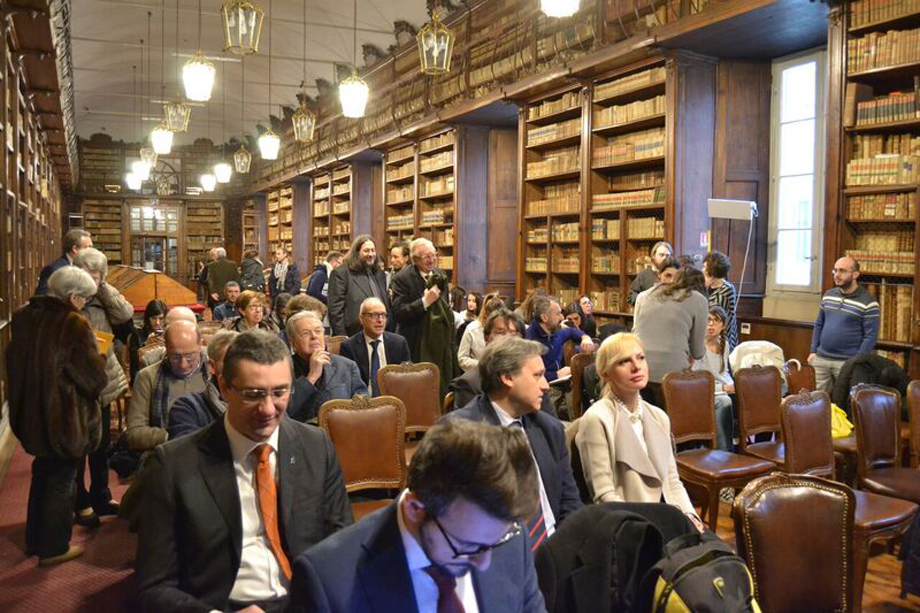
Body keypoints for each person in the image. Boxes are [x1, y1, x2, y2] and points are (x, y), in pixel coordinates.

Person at [136, 330, 353, 612]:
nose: (267, 409)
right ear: (224, 387)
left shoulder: (316, 445)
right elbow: (153, 586)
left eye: (279, 392)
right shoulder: (174, 464)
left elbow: (340, 541)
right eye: (253, 394)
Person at [287, 419, 546, 613]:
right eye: (466, 547)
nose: (485, 562)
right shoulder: (328, 581)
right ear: (415, 510)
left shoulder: (505, 536)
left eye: (494, 544)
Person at [9, 267, 107, 566]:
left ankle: (35, 538)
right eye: (85, 299)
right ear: (72, 297)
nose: (85, 305)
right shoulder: (72, 323)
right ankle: (53, 548)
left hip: (31, 413)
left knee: (42, 473)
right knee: (62, 481)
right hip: (64, 419)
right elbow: (92, 380)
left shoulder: (25, 316)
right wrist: (100, 357)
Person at [449, 336, 582, 545]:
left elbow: (570, 501)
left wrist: (562, 553)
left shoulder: (549, 429)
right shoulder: (462, 433)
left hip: (556, 550)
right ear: (507, 377)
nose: (546, 385)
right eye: (537, 376)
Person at [576, 333, 704, 531]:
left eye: (640, 358)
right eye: (624, 361)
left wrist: (690, 515)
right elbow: (604, 496)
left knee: (723, 557)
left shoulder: (659, 416)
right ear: (605, 373)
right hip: (631, 526)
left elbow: (671, 480)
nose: (636, 367)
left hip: (671, 515)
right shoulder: (597, 419)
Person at [70, 247, 132, 525]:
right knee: (78, 445)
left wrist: (103, 288)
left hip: (103, 379)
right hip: (77, 383)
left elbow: (125, 314)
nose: (91, 282)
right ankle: (80, 501)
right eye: (87, 275)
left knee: (101, 444)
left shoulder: (103, 297)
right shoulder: (69, 297)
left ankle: (101, 495)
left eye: (97, 277)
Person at [450, 309, 558, 414]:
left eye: (515, 334)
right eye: (500, 333)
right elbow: (467, 429)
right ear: (486, 339)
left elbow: (550, 421)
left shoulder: (533, 377)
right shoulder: (470, 383)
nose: (508, 339)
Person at [391, 238, 460, 396]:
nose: (432, 260)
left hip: (440, 342)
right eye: (426, 257)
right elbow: (399, 313)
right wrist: (424, 302)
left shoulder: (440, 275)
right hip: (416, 342)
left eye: (434, 255)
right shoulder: (402, 278)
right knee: (418, 391)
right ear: (415, 259)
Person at [126, 320, 209, 453]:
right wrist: (175, 435)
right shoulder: (147, 377)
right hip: (166, 456)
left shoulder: (214, 372)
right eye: (175, 356)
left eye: (190, 356)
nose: (183, 364)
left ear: (201, 345)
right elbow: (135, 432)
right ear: (166, 347)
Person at [632, 267, 707, 408]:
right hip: (672, 377)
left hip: (638, 368)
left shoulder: (644, 295)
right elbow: (698, 352)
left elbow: (635, 331)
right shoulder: (699, 300)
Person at [808, 256, 879, 393]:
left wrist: (855, 362)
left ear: (855, 274)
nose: (837, 275)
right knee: (816, 403)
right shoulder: (828, 295)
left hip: (847, 363)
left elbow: (870, 336)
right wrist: (813, 351)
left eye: (842, 271)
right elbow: (819, 324)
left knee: (843, 404)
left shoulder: (868, 302)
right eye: (835, 270)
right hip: (821, 359)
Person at [286, 311, 368, 423]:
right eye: (305, 333)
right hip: (302, 436)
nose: (314, 337)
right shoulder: (283, 369)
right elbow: (285, 410)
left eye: (318, 331)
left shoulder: (347, 366)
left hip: (341, 432)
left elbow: (363, 404)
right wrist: (311, 377)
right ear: (293, 344)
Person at [167, 330, 238, 440]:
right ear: (212, 366)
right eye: (230, 361)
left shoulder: (263, 400)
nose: (241, 368)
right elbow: (185, 453)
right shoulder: (187, 407)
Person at [338, 297, 411, 395]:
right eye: (374, 315)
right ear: (361, 318)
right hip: (363, 403)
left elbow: (407, 379)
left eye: (383, 315)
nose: (380, 320)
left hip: (393, 400)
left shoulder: (399, 343)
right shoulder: (349, 347)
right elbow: (347, 383)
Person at [327, 235, 388, 337]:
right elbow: (335, 310)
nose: (371, 254)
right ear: (356, 253)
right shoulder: (341, 273)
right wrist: (341, 337)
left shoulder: (379, 274)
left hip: (380, 332)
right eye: (366, 251)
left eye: (373, 250)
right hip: (353, 334)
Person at [692, 306, 735, 452]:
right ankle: (725, 451)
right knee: (725, 401)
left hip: (723, 388)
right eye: (708, 320)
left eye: (716, 321)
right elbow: (696, 381)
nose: (711, 324)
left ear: (722, 326)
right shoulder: (698, 346)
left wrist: (732, 385)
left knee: (750, 395)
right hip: (703, 392)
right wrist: (723, 388)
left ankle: (752, 446)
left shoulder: (724, 344)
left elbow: (724, 373)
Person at [525, 295, 595, 383]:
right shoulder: (528, 340)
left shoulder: (554, 331)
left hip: (559, 383)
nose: (562, 317)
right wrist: (556, 374)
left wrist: (585, 337)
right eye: (558, 314)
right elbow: (529, 375)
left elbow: (571, 331)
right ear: (544, 317)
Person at [34, 228, 93, 296]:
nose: (92, 251)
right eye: (88, 247)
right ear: (75, 249)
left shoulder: (86, 268)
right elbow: (40, 299)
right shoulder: (54, 269)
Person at [458, 292, 505, 373]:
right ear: (486, 314)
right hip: (479, 376)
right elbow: (462, 359)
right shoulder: (472, 328)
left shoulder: (508, 329)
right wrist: (483, 365)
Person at [702, 250, 739, 352]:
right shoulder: (704, 287)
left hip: (722, 340)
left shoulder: (727, 290)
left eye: (705, 268)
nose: (703, 270)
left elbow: (717, 315)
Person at [128, 299, 168, 384]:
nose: (157, 323)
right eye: (154, 318)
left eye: (161, 318)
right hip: (143, 379)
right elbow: (134, 364)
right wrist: (146, 345)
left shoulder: (169, 334)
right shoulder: (137, 335)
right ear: (147, 318)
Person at [627, 240, 673, 305]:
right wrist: (645, 300)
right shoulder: (643, 275)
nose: (665, 258)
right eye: (661, 255)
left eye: (668, 256)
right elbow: (631, 296)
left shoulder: (675, 274)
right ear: (653, 256)